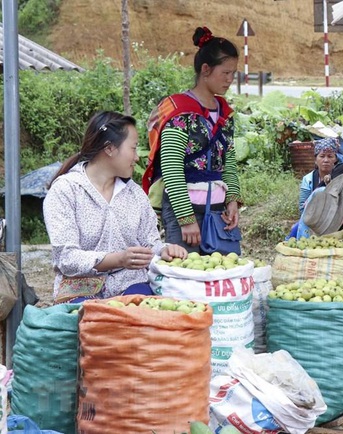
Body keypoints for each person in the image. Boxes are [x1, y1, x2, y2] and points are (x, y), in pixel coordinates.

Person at [43, 111, 188, 302]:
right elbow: (66, 259)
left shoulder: (135, 194)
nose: (137, 157)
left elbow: (149, 244)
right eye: (133, 148)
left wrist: (163, 251)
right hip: (79, 291)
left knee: (142, 312)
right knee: (92, 323)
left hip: (131, 285)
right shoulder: (66, 190)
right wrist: (118, 259)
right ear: (110, 148)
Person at [143, 26, 242, 253]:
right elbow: (171, 168)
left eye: (233, 73)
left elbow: (229, 161)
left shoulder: (225, 113)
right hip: (183, 212)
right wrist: (187, 219)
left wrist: (233, 201)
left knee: (222, 274)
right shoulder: (179, 111)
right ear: (206, 70)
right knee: (185, 277)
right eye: (225, 73)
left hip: (218, 211)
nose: (230, 79)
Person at [299, 138, 339, 214]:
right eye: (322, 156)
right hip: (313, 218)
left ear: (335, 160)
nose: (326, 160)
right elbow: (302, 209)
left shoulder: (340, 177)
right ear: (316, 160)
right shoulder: (308, 180)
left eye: (330, 156)